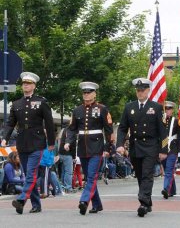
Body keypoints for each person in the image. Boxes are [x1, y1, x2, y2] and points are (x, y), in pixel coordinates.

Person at [1, 72, 55, 214]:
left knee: (31, 174)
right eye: (24, 83)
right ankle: (36, 204)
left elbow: (49, 123)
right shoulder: (17, 103)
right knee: (29, 174)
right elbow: (10, 123)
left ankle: (21, 199)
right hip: (22, 142)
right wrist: (5, 137)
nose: (26, 85)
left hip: (37, 142)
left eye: (29, 83)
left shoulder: (41, 102)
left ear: (34, 86)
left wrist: (51, 142)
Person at [116, 78, 168, 217]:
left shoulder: (156, 107)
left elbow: (163, 131)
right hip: (135, 146)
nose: (140, 93)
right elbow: (122, 128)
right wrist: (120, 144)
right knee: (139, 174)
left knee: (146, 174)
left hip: (151, 146)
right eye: (138, 90)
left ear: (148, 91)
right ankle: (148, 201)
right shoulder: (130, 107)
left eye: (142, 90)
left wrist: (164, 150)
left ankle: (143, 203)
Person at [64, 81, 113, 215]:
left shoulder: (102, 109)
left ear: (94, 94)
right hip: (82, 148)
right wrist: (68, 142)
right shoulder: (77, 110)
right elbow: (72, 129)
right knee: (90, 176)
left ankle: (84, 201)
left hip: (97, 147)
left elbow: (108, 130)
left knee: (91, 176)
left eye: (89, 92)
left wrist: (108, 148)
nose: (86, 95)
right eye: (84, 93)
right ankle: (97, 204)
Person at [161, 101, 180, 199]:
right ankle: (172, 189)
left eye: (169, 109)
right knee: (166, 169)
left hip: (173, 148)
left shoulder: (176, 121)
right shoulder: (161, 121)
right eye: (166, 109)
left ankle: (166, 189)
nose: (167, 111)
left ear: (172, 110)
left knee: (169, 170)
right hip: (162, 149)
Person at [58, 127, 76, 193]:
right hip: (68, 154)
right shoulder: (72, 131)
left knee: (63, 171)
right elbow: (73, 145)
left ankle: (62, 186)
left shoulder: (64, 130)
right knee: (68, 172)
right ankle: (68, 187)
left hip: (61, 153)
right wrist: (74, 157)